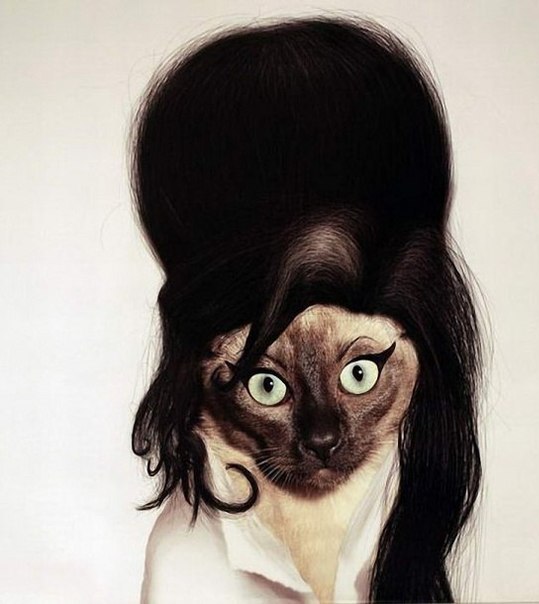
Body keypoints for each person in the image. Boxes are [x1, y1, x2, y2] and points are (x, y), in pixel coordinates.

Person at [131, 16, 483, 603]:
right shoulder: (191, 569)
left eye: (358, 374)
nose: (322, 436)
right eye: (266, 385)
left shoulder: (407, 497)